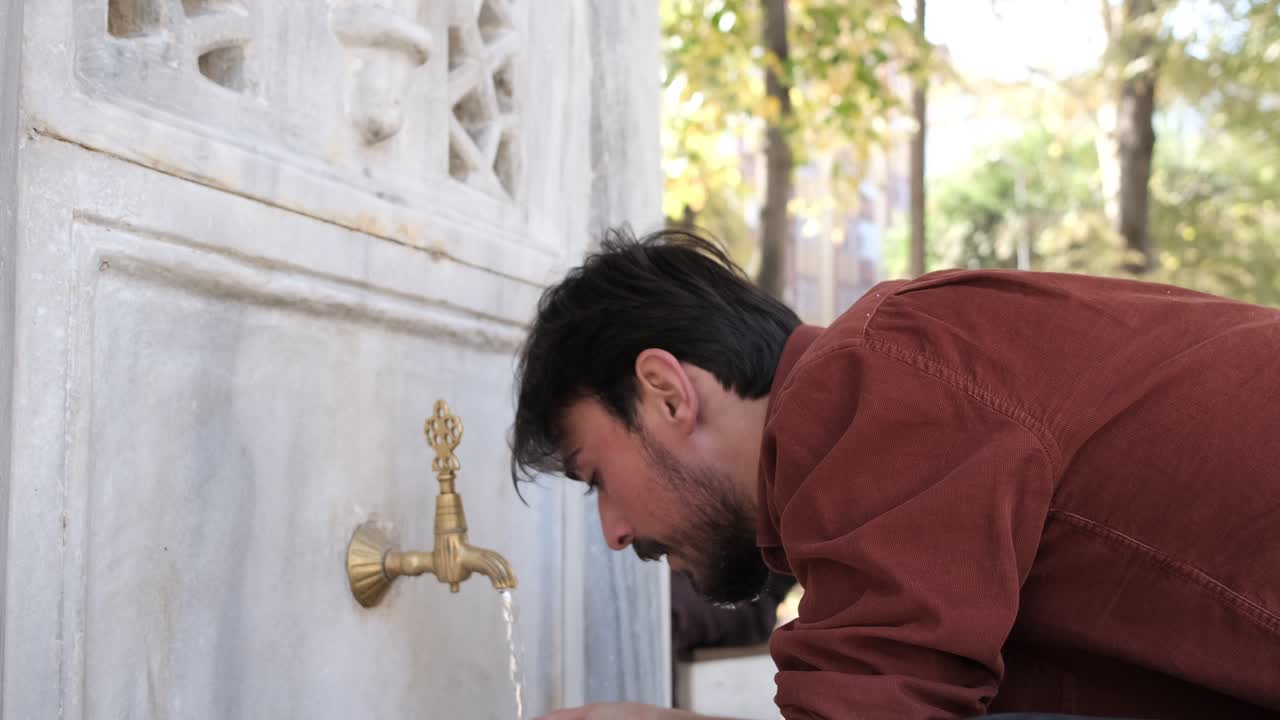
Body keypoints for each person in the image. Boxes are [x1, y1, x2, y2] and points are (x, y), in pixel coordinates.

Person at [518, 228, 1280, 720]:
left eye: (595, 477)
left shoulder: (871, 377)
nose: (613, 532)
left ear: (665, 393)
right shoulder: (882, 421)